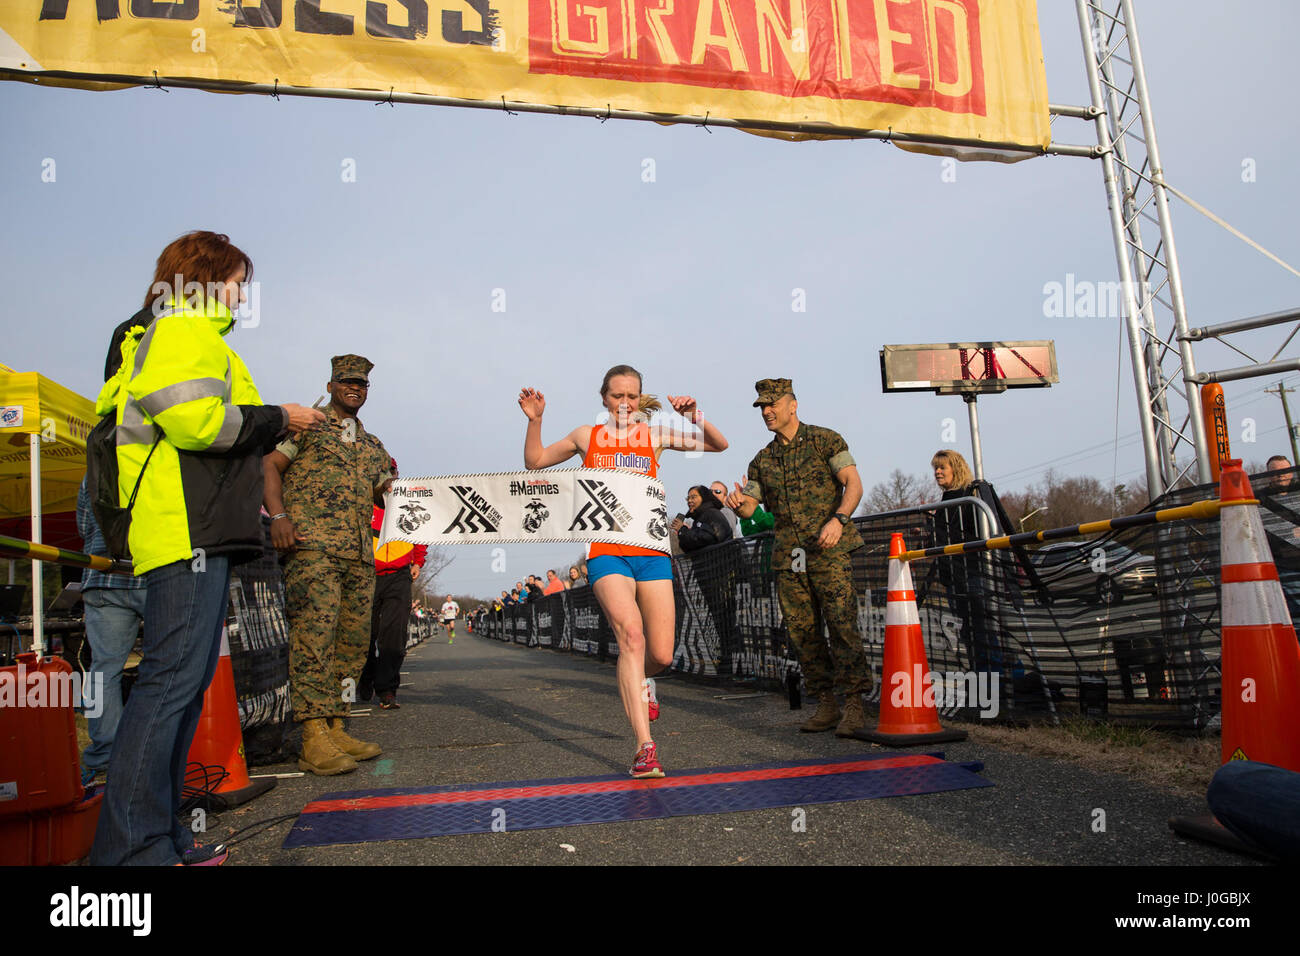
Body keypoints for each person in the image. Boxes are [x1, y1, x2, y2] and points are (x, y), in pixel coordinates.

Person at [91, 231, 324, 866]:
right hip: (184, 528)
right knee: (169, 687)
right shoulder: (184, 330)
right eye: (238, 280)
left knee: (180, 689)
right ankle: (132, 855)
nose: (243, 293)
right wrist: (280, 417)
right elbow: (198, 423)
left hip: (192, 528)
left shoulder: (185, 334)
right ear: (206, 276)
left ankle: (161, 838)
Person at [519, 364, 728, 777]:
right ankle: (644, 747)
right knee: (631, 636)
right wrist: (536, 421)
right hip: (607, 551)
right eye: (618, 396)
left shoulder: (655, 435)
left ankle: (643, 682)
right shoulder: (587, 436)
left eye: (632, 396)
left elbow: (718, 445)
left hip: (651, 552)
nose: (626, 404)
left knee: (662, 654)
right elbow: (535, 461)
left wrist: (693, 414)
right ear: (604, 399)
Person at [263, 354, 393, 776]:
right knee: (313, 639)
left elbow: (386, 495)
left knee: (352, 644)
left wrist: (412, 496)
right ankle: (313, 734)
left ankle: (338, 725)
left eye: (362, 384)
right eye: (347, 382)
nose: (355, 388)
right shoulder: (308, 423)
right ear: (333, 384)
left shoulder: (372, 445)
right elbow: (269, 466)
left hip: (358, 555)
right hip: (312, 548)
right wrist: (279, 518)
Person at [725, 378, 872, 736]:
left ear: (793, 405)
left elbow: (854, 484)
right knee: (803, 632)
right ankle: (825, 703)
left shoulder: (826, 440)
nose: (767, 411)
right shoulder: (763, 460)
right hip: (789, 557)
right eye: (761, 407)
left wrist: (839, 519)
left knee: (841, 624)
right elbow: (750, 508)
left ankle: (854, 703)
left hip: (829, 548)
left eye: (772, 404)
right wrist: (739, 503)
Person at [364, 463, 427, 711]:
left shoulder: (407, 502)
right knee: (365, 633)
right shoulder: (364, 501)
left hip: (400, 575)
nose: (389, 478)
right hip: (367, 574)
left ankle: (387, 690)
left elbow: (422, 530)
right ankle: (364, 677)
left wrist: (418, 561)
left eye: (392, 473)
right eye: (383, 474)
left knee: (394, 634)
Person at [674, 485, 734, 552]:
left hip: (721, 560)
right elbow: (689, 547)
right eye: (688, 498)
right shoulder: (699, 518)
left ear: (704, 497)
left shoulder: (712, 513)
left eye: (693, 497)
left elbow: (707, 538)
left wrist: (683, 531)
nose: (689, 501)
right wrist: (682, 532)